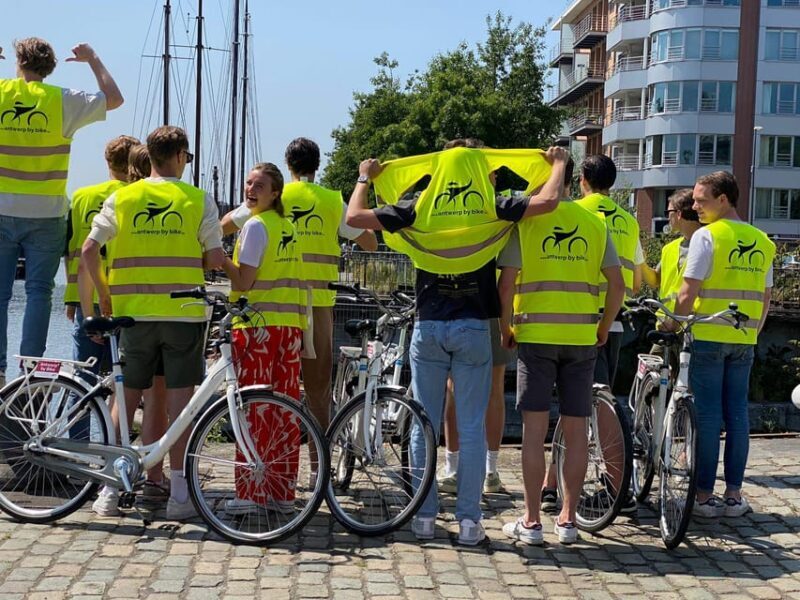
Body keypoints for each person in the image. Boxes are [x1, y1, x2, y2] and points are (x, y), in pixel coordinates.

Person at [346, 139, 565, 545]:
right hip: (473, 326)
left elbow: (355, 216)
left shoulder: (418, 208)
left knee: (422, 424)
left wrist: (366, 176)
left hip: (428, 326)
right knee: (470, 426)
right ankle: (468, 523)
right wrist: (558, 163)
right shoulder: (492, 206)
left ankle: (424, 517)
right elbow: (549, 201)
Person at [83, 126, 224, 520]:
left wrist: (105, 295)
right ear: (180, 155)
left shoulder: (122, 196)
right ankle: (179, 495)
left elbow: (89, 249)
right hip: (181, 315)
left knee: (125, 402)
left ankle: (109, 491)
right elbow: (214, 259)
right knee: (180, 406)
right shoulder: (198, 200)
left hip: (133, 316)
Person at [497, 157, 624, 545]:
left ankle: (533, 521)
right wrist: (603, 327)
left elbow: (506, 284)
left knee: (534, 433)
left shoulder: (527, 221)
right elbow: (617, 286)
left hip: (535, 336)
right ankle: (568, 520)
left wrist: (506, 328)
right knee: (575, 429)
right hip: (582, 339)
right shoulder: (595, 223)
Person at [221, 137, 377, 432]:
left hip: (274, 308)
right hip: (318, 305)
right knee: (318, 390)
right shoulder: (332, 201)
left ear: (287, 165)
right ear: (318, 166)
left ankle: (272, 456)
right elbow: (369, 241)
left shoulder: (272, 197)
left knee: (272, 389)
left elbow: (225, 225)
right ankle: (320, 465)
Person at [0, 38, 123, 386]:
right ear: (50, 67)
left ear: (19, 63)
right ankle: (31, 370)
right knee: (40, 291)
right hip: (46, 212)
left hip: (1, 206)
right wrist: (93, 58)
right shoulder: (63, 100)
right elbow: (114, 99)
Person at [540, 154, 644, 514]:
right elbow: (634, 278)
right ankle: (559, 484)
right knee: (601, 404)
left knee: (578, 409)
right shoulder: (629, 222)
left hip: (573, 319)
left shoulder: (576, 213)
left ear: (581, 178)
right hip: (612, 323)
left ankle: (612, 489)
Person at [669, 171, 774, 518]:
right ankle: (733, 495)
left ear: (724, 199)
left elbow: (688, 291)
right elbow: (766, 295)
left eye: (701, 200)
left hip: (708, 335)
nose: (694, 206)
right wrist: (753, 333)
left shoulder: (707, 237)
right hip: (744, 339)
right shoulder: (763, 240)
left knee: (709, 417)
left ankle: (702, 496)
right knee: (738, 416)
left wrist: (674, 322)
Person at [220, 162, 308, 513]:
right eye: (248, 182)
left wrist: (219, 260)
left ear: (275, 193)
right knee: (283, 412)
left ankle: (250, 495)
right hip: (289, 328)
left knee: (253, 411)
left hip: (257, 327)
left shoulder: (255, 227)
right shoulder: (287, 226)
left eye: (259, 185)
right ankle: (282, 491)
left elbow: (244, 281)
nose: (250, 189)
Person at [65, 135, 138, 369]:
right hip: (121, 294)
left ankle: (80, 406)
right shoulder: (134, 197)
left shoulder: (80, 197)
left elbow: (71, 248)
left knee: (85, 373)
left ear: (107, 162)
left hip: (85, 294)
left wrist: (72, 297)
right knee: (122, 374)